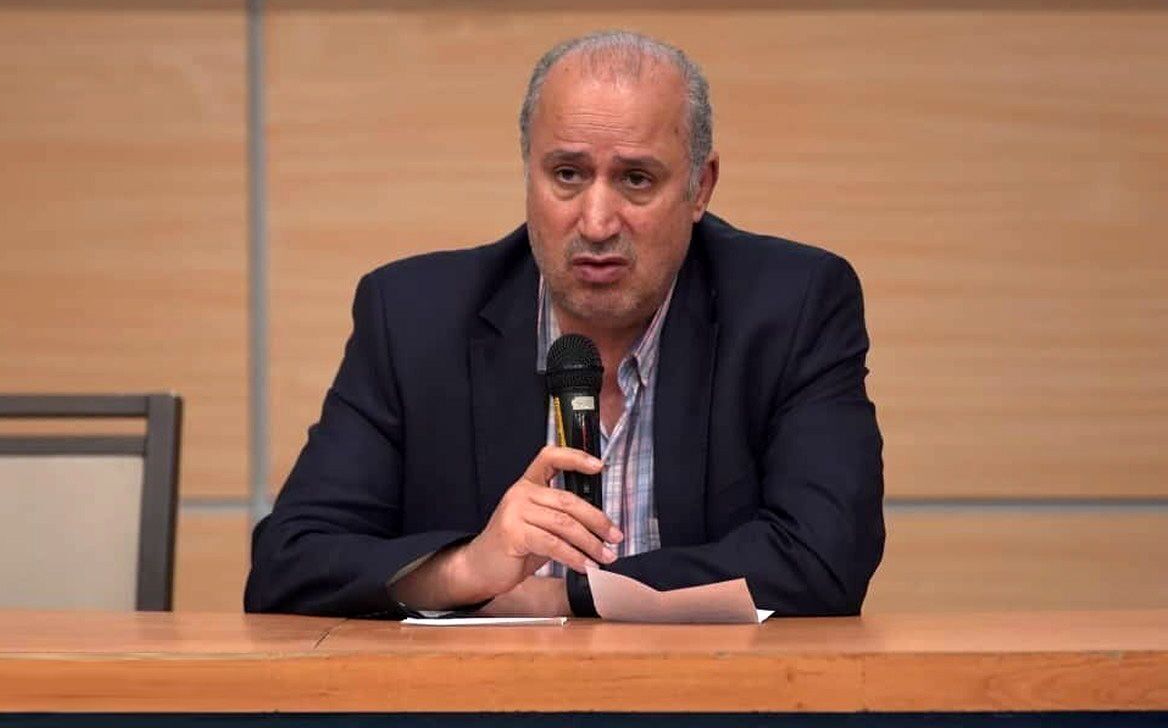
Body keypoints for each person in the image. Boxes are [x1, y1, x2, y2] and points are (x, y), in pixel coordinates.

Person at [244, 30, 884, 619]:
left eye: (636, 179)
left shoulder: (791, 307)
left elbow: (825, 557)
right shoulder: (413, 319)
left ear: (700, 188)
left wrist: (564, 597)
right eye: (568, 175)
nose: (597, 222)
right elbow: (289, 564)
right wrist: (466, 570)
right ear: (529, 171)